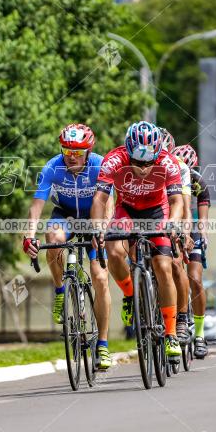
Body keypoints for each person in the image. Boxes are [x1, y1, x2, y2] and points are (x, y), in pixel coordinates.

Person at [23, 123, 113, 370]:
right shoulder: (52, 167)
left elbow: (108, 204)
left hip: (93, 218)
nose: (72, 157)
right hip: (65, 215)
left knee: (100, 278)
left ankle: (103, 345)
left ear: (88, 150)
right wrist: (29, 237)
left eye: (78, 153)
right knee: (52, 238)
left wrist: (101, 231)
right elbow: (36, 206)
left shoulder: (99, 165)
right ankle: (61, 290)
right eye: (67, 151)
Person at [91, 121, 184, 359]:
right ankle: (130, 294)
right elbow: (100, 200)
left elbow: (176, 201)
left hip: (156, 211)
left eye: (148, 162)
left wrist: (172, 223)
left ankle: (171, 334)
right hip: (127, 210)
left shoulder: (167, 162)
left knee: (164, 266)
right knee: (113, 251)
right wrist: (98, 228)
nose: (143, 168)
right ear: (128, 152)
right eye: (138, 162)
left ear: (157, 153)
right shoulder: (114, 159)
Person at [173, 144, 211, 359]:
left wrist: (203, 236)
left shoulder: (198, 182)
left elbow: (202, 218)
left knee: (195, 278)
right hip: (173, 226)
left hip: (192, 228)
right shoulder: (167, 175)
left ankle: (199, 335)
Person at [158, 127, 195, 345]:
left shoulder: (179, 168)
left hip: (174, 212)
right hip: (151, 212)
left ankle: (181, 318)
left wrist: (186, 233)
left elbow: (186, 207)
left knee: (175, 261)